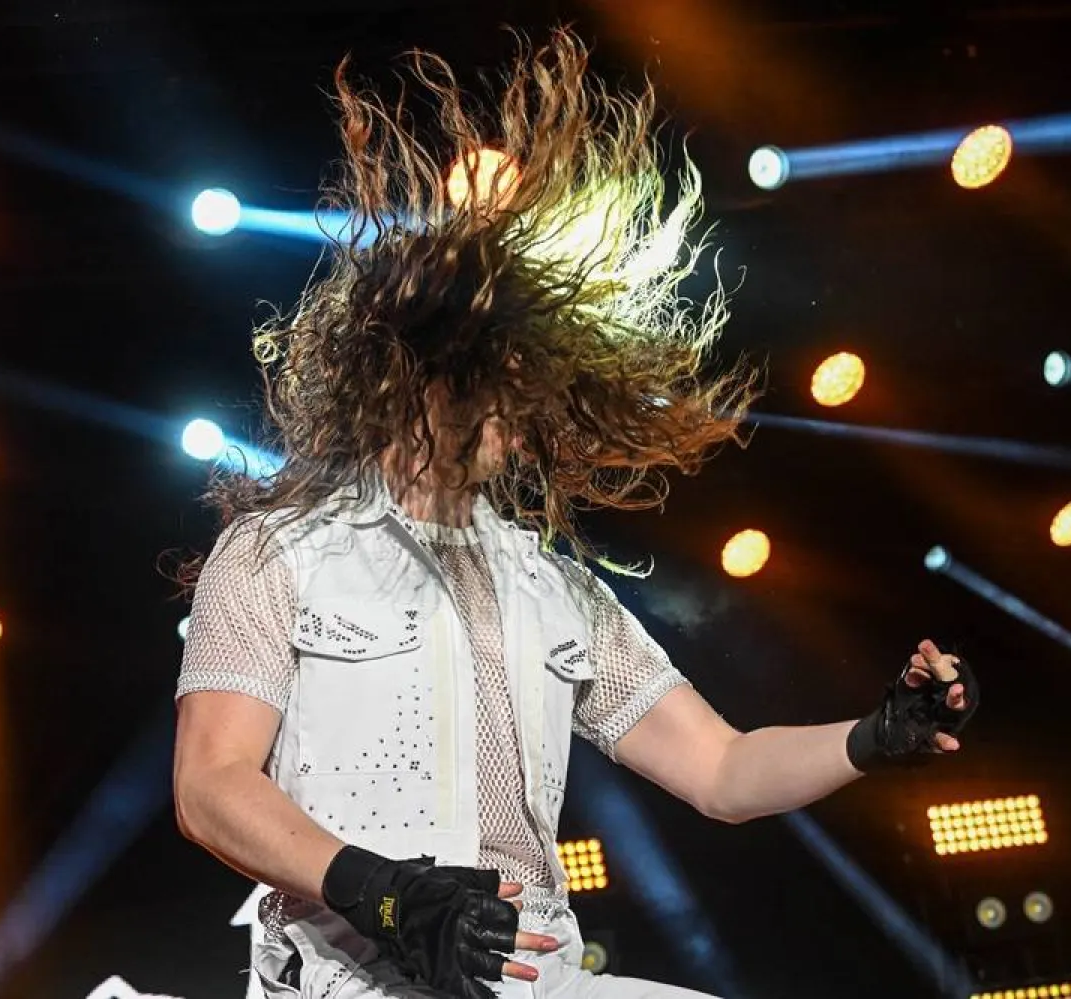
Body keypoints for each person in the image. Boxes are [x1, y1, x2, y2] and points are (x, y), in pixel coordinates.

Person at [173, 29, 977, 999]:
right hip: (351, 978)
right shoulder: (276, 555)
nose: (529, 404)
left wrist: (870, 735)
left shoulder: (552, 587)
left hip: (536, 977)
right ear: (433, 368)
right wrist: (382, 892)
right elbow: (212, 787)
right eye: (509, 373)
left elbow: (721, 771)